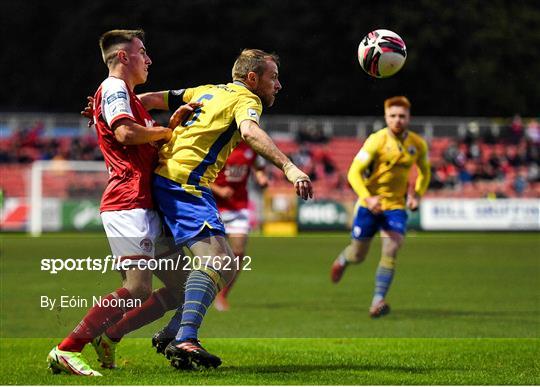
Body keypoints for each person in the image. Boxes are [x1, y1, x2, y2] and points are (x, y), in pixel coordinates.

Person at [141, 49, 313, 369]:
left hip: (170, 181)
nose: (279, 85)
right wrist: (290, 168)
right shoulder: (247, 100)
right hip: (184, 184)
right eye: (273, 77)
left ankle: (174, 332)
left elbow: (148, 99)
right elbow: (248, 131)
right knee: (219, 260)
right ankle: (184, 338)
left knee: (228, 265)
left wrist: (105, 109)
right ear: (252, 79)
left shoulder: (205, 90)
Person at [47, 29, 197, 376]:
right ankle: (67, 349)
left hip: (146, 203)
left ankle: (110, 336)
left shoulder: (128, 96)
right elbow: (124, 133)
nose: (149, 59)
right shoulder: (115, 88)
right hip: (127, 201)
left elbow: (139, 139)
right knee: (138, 287)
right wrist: (166, 132)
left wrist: (166, 127)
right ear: (124, 57)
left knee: (181, 288)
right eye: (142, 51)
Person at [330, 96, 430, 318]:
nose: (397, 120)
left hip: (395, 206)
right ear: (386, 117)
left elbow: (425, 171)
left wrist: (417, 195)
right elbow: (353, 172)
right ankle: (343, 259)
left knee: (392, 248)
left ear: (408, 117)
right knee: (358, 255)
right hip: (369, 205)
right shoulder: (376, 141)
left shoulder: (417, 144)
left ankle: (377, 300)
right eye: (393, 116)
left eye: (402, 116)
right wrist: (367, 197)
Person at [211, 141, 268, 311]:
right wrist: (219, 190)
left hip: (238, 207)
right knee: (214, 256)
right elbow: (198, 176)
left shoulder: (250, 146)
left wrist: (260, 176)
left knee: (238, 252)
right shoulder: (217, 144)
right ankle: (202, 291)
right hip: (213, 206)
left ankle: (222, 295)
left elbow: (258, 166)